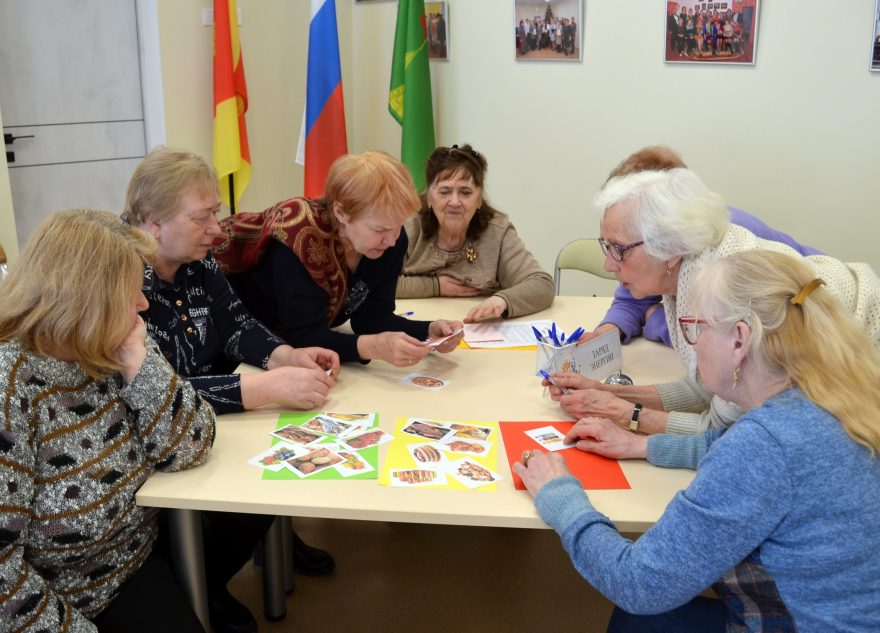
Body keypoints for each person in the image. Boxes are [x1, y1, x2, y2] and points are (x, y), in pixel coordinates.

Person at [518, 249, 880, 632]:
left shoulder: (765, 445)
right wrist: (641, 444)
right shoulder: (836, 394)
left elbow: (638, 583)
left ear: (740, 340)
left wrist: (561, 497)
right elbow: (734, 446)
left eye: (698, 327)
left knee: (639, 617)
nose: (691, 343)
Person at [123, 147, 337, 594]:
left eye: (216, 214)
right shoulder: (121, 285)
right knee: (250, 493)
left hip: (205, 423)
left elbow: (238, 326)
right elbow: (160, 390)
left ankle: (210, 583)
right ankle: (202, 592)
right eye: (201, 218)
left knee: (267, 481)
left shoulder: (198, 266)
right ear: (152, 222)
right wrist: (264, 388)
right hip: (147, 448)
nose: (216, 230)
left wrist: (287, 356)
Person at [0, 209, 217, 632]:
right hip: (66, 596)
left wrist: (139, 361)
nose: (143, 303)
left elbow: (195, 442)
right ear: (85, 300)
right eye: (131, 292)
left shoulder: (114, 336)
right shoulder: (11, 388)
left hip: (136, 553)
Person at [545, 167, 880, 437]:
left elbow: (722, 432)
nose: (608, 264)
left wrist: (625, 415)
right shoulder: (686, 269)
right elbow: (707, 388)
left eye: (617, 248)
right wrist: (610, 395)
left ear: (668, 248)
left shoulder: (728, 290)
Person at [214, 150, 464, 367]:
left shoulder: (390, 242)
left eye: (399, 225)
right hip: (237, 347)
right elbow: (304, 337)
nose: (392, 240)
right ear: (341, 213)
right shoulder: (299, 237)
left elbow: (372, 318)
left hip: (287, 353)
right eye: (379, 230)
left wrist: (428, 331)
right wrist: (373, 347)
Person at [587, 145, 823, 347]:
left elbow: (740, 342)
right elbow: (632, 298)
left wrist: (657, 319)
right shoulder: (669, 250)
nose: (608, 264)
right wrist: (607, 332)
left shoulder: (728, 249)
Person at [397, 144, 554, 322]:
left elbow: (542, 284)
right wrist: (436, 286)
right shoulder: (407, 227)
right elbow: (377, 285)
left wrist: (502, 300)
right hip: (416, 325)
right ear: (429, 197)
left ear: (479, 200)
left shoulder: (497, 232)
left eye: (465, 192)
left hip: (479, 327)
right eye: (444, 191)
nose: (455, 202)